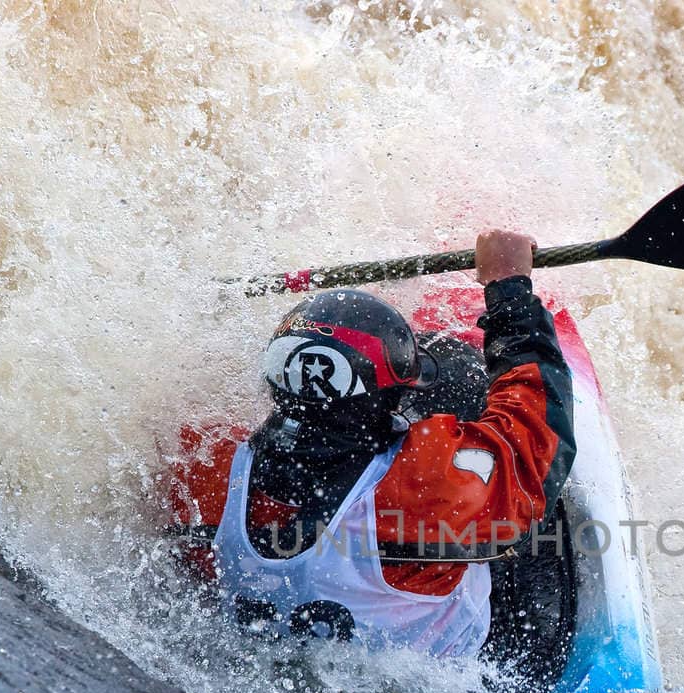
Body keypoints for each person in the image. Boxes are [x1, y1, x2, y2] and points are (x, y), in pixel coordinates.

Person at [209, 230, 575, 658]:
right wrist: (509, 290)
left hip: (274, 664)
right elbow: (536, 440)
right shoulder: (424, 487)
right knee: (531, 513)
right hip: (446, 688)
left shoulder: (213, 465)